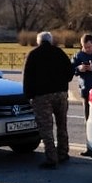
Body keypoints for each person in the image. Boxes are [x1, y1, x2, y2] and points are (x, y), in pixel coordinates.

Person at [22, 31, 74, 169]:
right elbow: (70, 73)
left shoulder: (33, 55)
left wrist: (28, 96)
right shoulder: (59, 53)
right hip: (61, 94)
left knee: (46, 128)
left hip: (42, 96)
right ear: (50, 41)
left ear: (38, 41)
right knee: (62, 124)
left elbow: (27, 78)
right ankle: (63, 153)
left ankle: (51, 158)